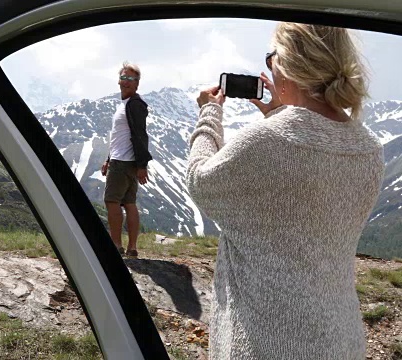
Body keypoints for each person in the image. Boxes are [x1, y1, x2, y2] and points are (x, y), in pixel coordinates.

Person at [186, 23, 384, 359]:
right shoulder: (369, 148)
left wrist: (209, 113)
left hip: (268, 341)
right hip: (341, 339)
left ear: (289, 64)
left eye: (271, 57)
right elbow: (307, 192)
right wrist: (281, 113)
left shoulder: (267, 139)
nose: (268, 67)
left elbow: (199, 180)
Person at [101, 61, 153, 258]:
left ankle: (115, 245)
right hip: (123, 160)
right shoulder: (126, 104)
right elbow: (119, 136)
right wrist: (108, 159)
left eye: (131, 78)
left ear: (137, 83)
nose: (126, 81)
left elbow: (140, 134)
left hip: (123, 162)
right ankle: (131, 249)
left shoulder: (134, 105)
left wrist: (143, 165)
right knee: (129, 202)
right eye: (123, 77)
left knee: (111, 201)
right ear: (118, 81)